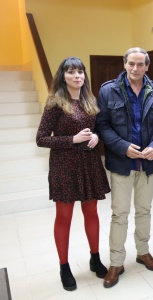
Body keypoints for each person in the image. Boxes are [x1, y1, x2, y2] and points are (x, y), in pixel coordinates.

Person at [36, 57, 111, 291]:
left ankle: (95, 258)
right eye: (71, 72)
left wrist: (96, 136)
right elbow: (41, 139)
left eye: (80, 72)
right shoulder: (54, 103)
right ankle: (64, 266)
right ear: (63, 76)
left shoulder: (90, 100)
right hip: (64, 166)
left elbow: (97, 128)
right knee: (64, 218)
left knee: (92, 214)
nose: (77, 76)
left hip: (88, 163)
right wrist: (72, 139)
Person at [95, 47, 153, 288]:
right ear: (124, 64)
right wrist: (123, 146)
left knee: (144, 211)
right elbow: (102, 125)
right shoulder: (108, 90)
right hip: (121, 162)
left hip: (148, 163)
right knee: (120, 214)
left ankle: (143, 252)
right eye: (131, 64)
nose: (135, 68)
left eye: (140, 64)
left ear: (147, 66)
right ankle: (116, 262)